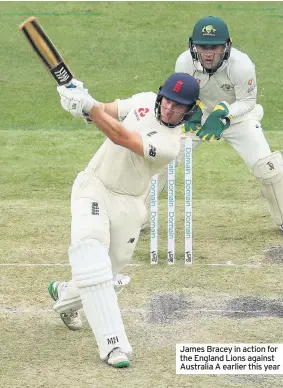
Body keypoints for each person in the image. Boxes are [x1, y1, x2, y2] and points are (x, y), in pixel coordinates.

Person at [47, 73, 200, 368]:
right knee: (90, 256)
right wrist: (80, 105)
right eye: (167, 100)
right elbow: (105, 111)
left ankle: (64, 294)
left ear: (189, 110)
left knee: (104, 273)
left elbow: (121, 136)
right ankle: (114, 345)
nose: (169, 108)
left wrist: (89, 105)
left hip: (130, 205)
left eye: (178, 106)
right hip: (95, 185)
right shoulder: (143, 101)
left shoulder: (171, 144)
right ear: (160, 96)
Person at [142, 15, 283, 231]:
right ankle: (136, 218)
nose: (208, 53)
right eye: (202, 46)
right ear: (194, 45)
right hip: (197, 117)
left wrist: (225, 114)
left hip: (238, 117)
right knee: (163, 158)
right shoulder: (184, 62)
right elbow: (181, 95)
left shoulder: (242, 65)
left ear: (226, 46)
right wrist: (192, 111)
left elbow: (247, 101)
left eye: (214, 47)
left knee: (268, 167)